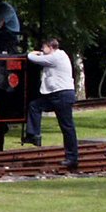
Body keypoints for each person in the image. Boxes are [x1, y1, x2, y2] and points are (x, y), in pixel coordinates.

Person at [24, 37, 79, 170]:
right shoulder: (55, 56)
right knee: (34, 106)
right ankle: (33, 135)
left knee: (67, 127)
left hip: (62, 95)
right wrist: (41, 53)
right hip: (54, 95)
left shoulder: (56, 58)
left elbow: (33, 58)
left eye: (44, 47)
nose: (42, 50)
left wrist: (33, 53)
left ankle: (72, 158)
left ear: (51, 47)